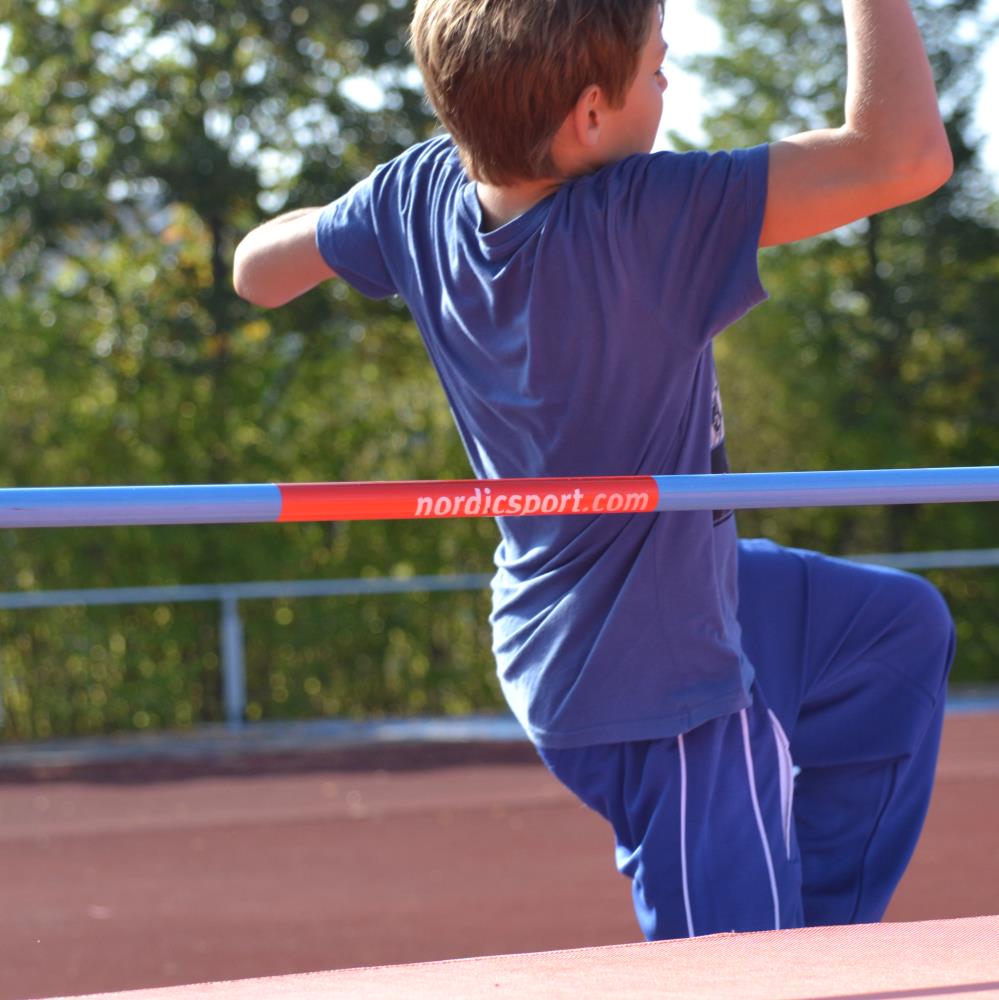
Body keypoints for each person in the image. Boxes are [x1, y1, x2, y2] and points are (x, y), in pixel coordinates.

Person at [233, 0, 956, 939]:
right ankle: (777, 955)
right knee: (735, 977)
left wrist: (356, 227)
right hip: (658, 678)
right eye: (658, 69)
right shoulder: (641, 218)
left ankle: (811, 938)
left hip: (611, 615)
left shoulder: (415, 193)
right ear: (587, 117)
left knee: (893, 630)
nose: (670, 81)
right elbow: (903, 156)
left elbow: (256, 269)